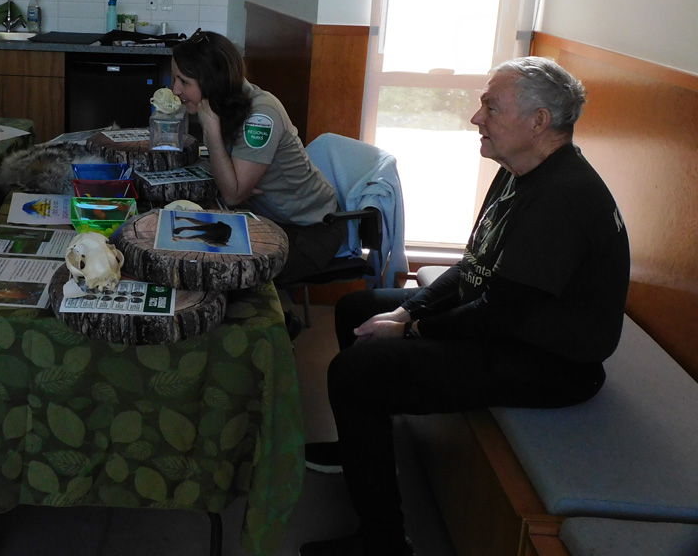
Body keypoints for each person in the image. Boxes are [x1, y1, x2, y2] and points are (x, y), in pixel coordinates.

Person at [298, 57, 631, 556]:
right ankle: (361, 447)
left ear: (538, 122)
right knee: (357, 309)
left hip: (550, 363)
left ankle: (383, 542)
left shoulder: (564, 199)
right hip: (511, 325)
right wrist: (408, 312)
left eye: (491, 108)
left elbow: (497, 314)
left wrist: (409, 332)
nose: (476, 118)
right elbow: (473, 266)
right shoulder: (520, 171)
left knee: (354, 373)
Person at [170, 29, 346, 284]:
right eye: (174, 78)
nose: (175, 89)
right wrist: (234, 182)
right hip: (265, 218)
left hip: (308, 232)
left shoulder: (261, 116)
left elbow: (232, 194)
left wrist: (212, 133)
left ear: (212, 82)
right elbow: (233, 188)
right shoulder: (222, 103)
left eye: (184, 82)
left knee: (219, 273)